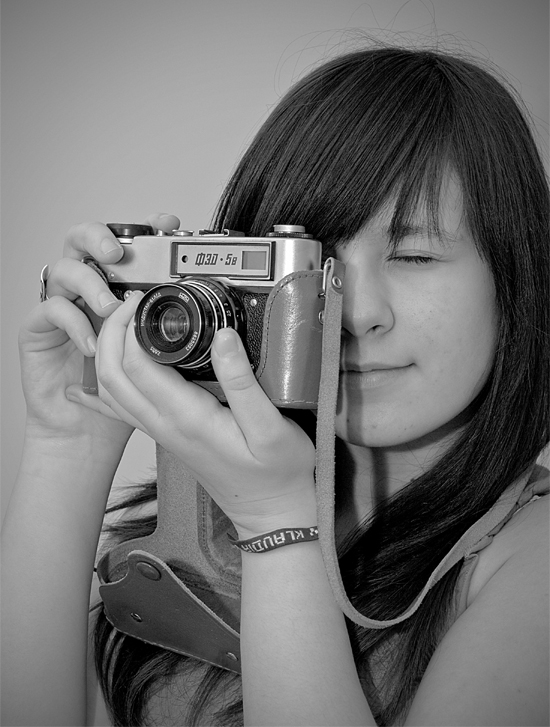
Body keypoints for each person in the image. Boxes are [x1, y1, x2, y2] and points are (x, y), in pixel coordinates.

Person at [2, 45, 549, 727]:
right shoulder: (194, 522)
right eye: (316, 262)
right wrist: (68, 442)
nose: (354, 313)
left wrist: (276, 527)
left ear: (514, 279)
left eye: (414, 255)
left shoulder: (528, 559)